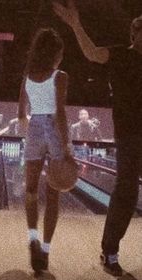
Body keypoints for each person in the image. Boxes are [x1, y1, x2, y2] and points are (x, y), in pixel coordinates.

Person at [53, 1, 142, 276]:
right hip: (130, 134)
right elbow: (91, 53)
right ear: (134, 33)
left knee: (128, 191)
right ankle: (110, 252)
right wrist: (75, 23)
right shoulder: (120, 56)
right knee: (127, 192)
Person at [18, 28, 72, 273]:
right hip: (53, 129)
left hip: (35, 128)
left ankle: (32, 239)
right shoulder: (60, 76)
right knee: (53, 194)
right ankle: (46, 251)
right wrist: (66, 145)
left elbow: (21, 115)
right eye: (60, 52)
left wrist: (33, 133)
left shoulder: (27, 76)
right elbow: (60, 112)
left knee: (30, 190)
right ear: (54, 54)